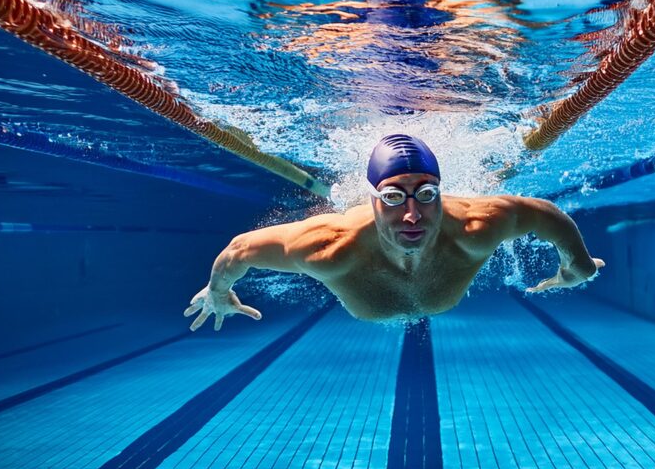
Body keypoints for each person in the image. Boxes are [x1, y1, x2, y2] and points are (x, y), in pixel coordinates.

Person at [185, 134, 604, 329]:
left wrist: (577, 266)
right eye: (392, 197)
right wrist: (217, 291)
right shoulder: (331, 247)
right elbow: (239, 250)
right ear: (370, 199)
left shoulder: (477, 226)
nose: (411, 215)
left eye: (425, 194)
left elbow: (548, 216)